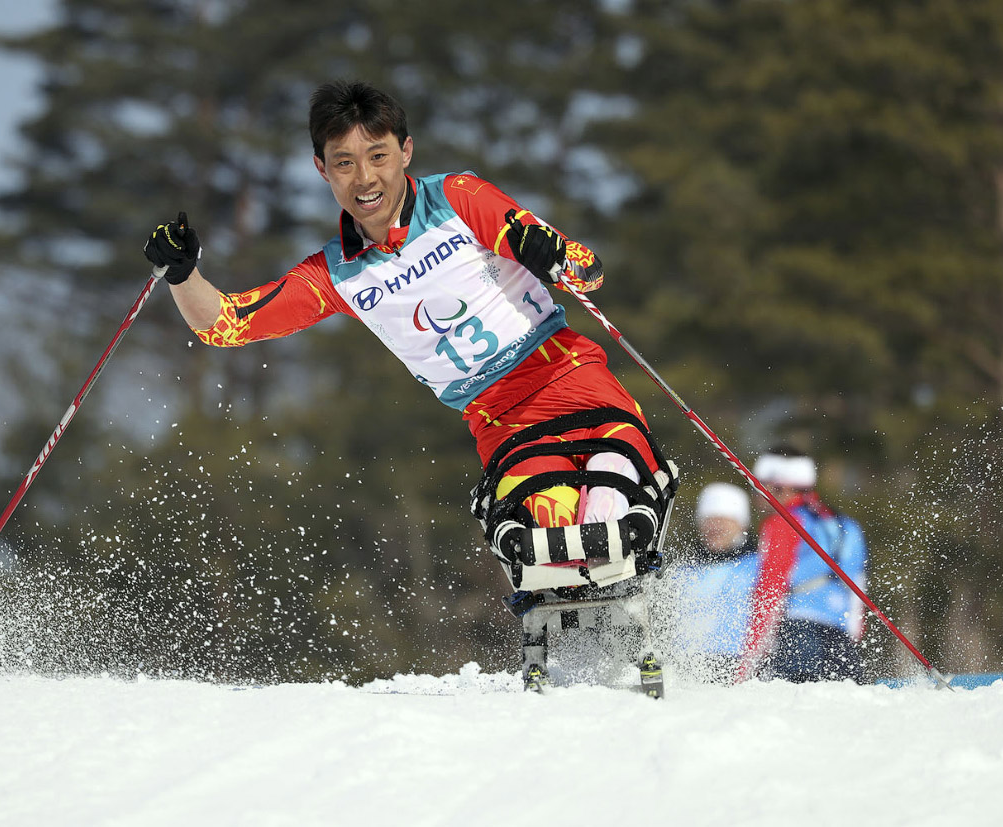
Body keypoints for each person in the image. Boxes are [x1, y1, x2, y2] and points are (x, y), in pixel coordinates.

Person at [142, 80, 677, 686]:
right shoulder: (337, 273)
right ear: (322, 169)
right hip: (501, 419)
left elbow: (585, 270)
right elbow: (226, 326)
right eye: (343, 163)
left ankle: (633, 626)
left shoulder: (457, 198)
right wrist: (182, 274)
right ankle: (579, 660)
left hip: (571, 376)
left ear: (406, 152)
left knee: (611, 493)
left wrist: (551, 253)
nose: (363, 179)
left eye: (377, 156)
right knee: (546, 525)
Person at [737, 447, 868, 683]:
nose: (754, 495)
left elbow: (770, 590)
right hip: (841, 641)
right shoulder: (848, 524)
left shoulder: (782, 522)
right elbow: (857, 592)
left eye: (758, 486)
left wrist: (748, 665)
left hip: (797, 636)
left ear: (781, 487)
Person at [667, 482, 760, 681]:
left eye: (724, 520)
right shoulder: (682, 570)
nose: (715, 527)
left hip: (737, 663)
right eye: (709, 520)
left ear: (741, 524)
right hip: (686, 664)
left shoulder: (758, 565)